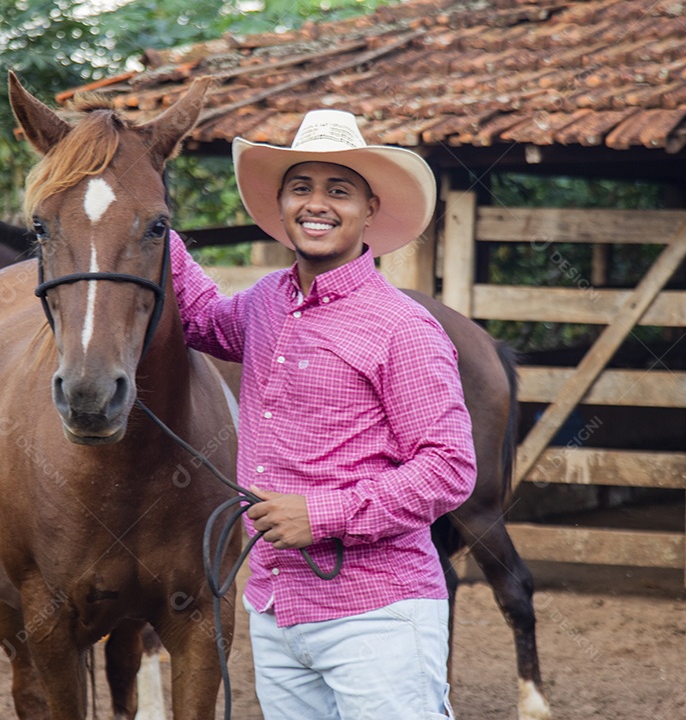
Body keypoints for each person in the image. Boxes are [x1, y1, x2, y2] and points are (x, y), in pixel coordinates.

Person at [169, 108, 476, 719]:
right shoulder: (265, 304)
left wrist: (322, 514)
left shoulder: (401, 328)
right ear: (281, 205)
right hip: (276, 609)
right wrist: (139, 211)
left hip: (378, 614)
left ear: (369, 210)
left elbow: (449, 468)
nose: (318, 204)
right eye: (301, 188)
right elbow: (199, 315)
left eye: (339, 190)